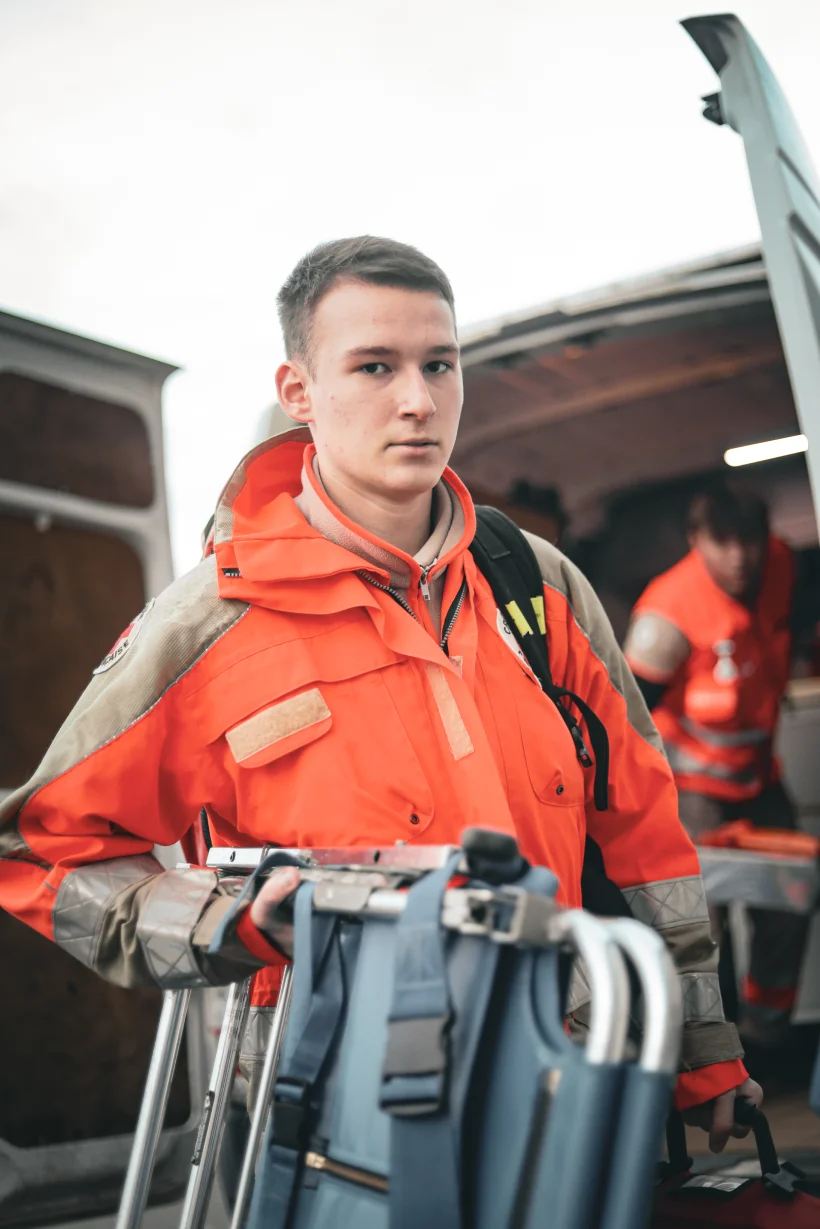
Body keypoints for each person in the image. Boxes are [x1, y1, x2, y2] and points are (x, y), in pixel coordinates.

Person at [0, 237, 758, 1153]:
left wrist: (701, 1045)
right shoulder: (207, 626)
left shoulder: (539, 587)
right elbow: (45, 850)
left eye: (440, 364)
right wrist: (225, 921)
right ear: (299, 392)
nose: (419, 400)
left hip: (568, 1095)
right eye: (374, 366)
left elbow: (644, 837)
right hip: (334, 1125)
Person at [624, 484, 809, 1055]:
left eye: (749, 541)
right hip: (691, 792)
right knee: (702, 926)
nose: (739, 556)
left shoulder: (782, 566)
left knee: (792, 898)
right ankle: (717, 1054)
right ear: (695, 541)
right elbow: (628, 719)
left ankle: (768, 1041)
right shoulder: (667, 612)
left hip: (759, 778)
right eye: (723, 542)